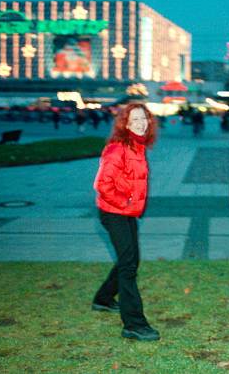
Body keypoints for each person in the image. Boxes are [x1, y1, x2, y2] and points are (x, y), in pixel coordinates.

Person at [92, 103, 160, 341]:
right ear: (125, 124)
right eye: (135, 120)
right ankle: (133, 324)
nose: (141, 123)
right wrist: (127, 200)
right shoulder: (117, 148)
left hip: (126, 212)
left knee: (129, 260)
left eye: (144, 119)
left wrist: (131, 204)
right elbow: (102, 185)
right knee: (129, 265)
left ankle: (102, 299)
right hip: (114, 212)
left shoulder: (138, 146)